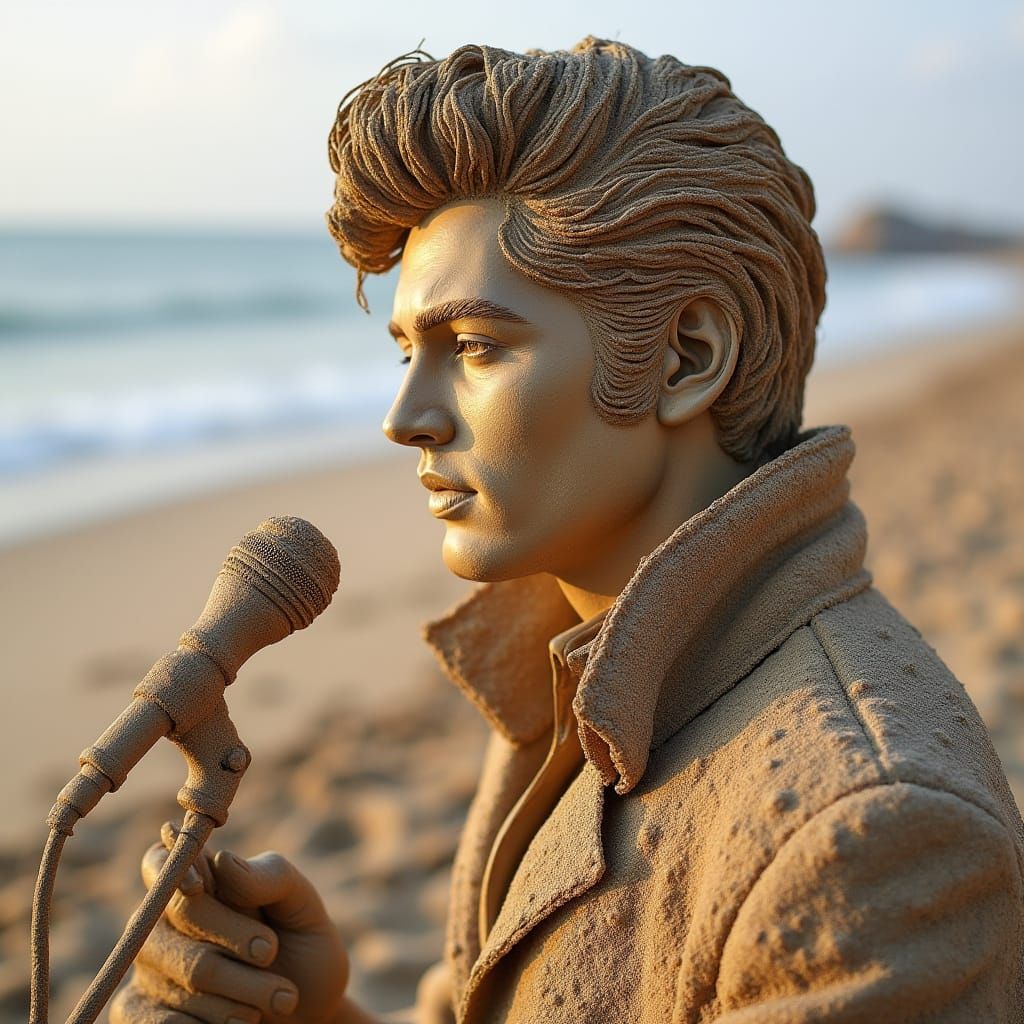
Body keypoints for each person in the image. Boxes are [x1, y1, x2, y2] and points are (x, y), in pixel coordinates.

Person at [112, 38, 1024, 1023]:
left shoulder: (872, 838)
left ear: (686, 355)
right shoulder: (577, 663)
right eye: (406, 352)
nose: (406, 415)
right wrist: (317, 1013)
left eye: (472, 346)